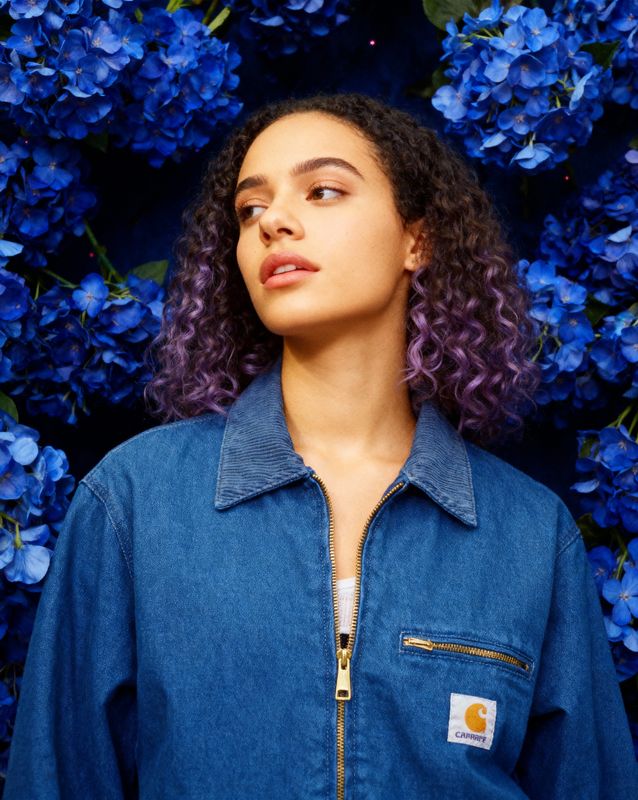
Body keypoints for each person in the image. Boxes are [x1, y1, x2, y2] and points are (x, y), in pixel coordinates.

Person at [3, 91, 638, 800]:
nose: (274, 221)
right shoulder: (133, 501)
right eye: (249, 211)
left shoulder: (528, 533)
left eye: (324, 190)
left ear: (416, 240)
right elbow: (53, 780)